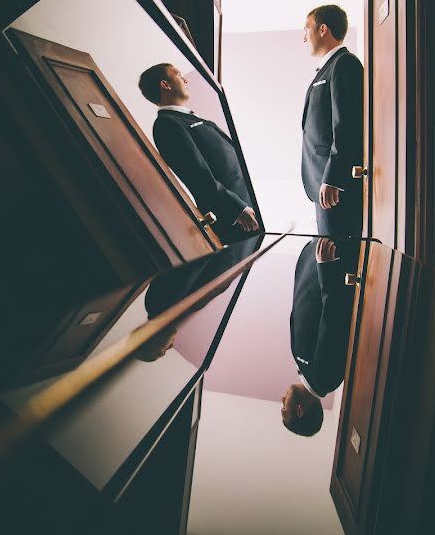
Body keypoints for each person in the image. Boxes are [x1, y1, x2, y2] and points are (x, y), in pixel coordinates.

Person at [138, 63, 259, 242]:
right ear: (165, 85)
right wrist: (236, 208)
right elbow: (197, 175)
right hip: (236, 215)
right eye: (179, 75)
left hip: (248, 200)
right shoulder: (167, 124)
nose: (186, 79)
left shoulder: (188, 118)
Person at [282, 237, 358, 436]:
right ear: (299, 411)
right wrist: (327, 267)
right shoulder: (326, 378)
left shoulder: (306, 371)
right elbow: (334, 320)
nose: (282, 401)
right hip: (332, 255)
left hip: (316, 253)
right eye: (284, 409)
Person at [301, 5, 364, 237]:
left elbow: (347, 125)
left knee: (335, 257)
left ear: (322, 29)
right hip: (323, 185)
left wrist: (333, 179)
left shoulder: (345, 64)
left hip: (334, 188)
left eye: (306, 29)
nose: (303, 38)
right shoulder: (327, 69)